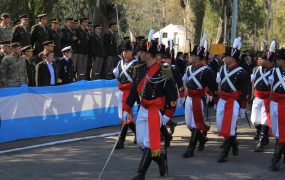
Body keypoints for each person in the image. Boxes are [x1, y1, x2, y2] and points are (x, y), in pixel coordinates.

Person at [122, 39, 178, 179]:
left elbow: (172, 95)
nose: (139, 54)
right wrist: (127, 108)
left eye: (142, 52)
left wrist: (167, 115)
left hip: (156, 110)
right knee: (141, 141)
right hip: (143, 108)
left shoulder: (164, 70)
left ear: (149, 54)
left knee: (148, 142)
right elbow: (134, 91)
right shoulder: (139, 68)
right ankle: (160, 158)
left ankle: (140, 174)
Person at [215, 37, 249, 163]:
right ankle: (234, 144)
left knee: (229, 127)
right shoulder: (222, 69)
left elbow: (245, 92)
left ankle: (224, 153)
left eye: (225, 56)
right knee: (219, 126)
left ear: (232, 58)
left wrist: (243, 108)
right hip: (222, 99)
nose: (223, 58)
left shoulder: (242, 73)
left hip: (234, 101)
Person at [182, 43, 218, 158]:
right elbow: (186, 81)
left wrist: (213, 97)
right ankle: (202, 139)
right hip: (189, 98)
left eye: (192, 55)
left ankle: (190, 148)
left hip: (199, 98)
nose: (190, 57)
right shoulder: (188, 68)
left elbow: (212, 86)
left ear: (198, 57)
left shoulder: (207, 70)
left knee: (196, 124)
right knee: (188, 124)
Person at [250, 40, 275, 152]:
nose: (261, 60)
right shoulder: (257, 69)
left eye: (263, 59)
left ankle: (261, 142)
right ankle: (264, 136)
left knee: (264, 120)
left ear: (268, 61)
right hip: (257, 96)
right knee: (254, 120)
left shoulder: (274, 71)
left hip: (267, 98)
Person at [113, 40, 138, 149]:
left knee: (125, 114)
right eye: (123, 51)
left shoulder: (136, 63)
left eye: (127, 51)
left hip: (130, 91)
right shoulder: (120, 63)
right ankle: (137, 132)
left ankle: (121, 140)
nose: (124, 53)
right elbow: (118, 78)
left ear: (131, 51)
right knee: (122, 115)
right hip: (121, 91)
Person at [269, 48, 285, 171]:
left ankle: (276, 159)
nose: (277, 61)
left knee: (282, 132)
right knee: (276, 131)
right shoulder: (273, 71)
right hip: (274, 103)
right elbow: (270, 87)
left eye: (279, 59)